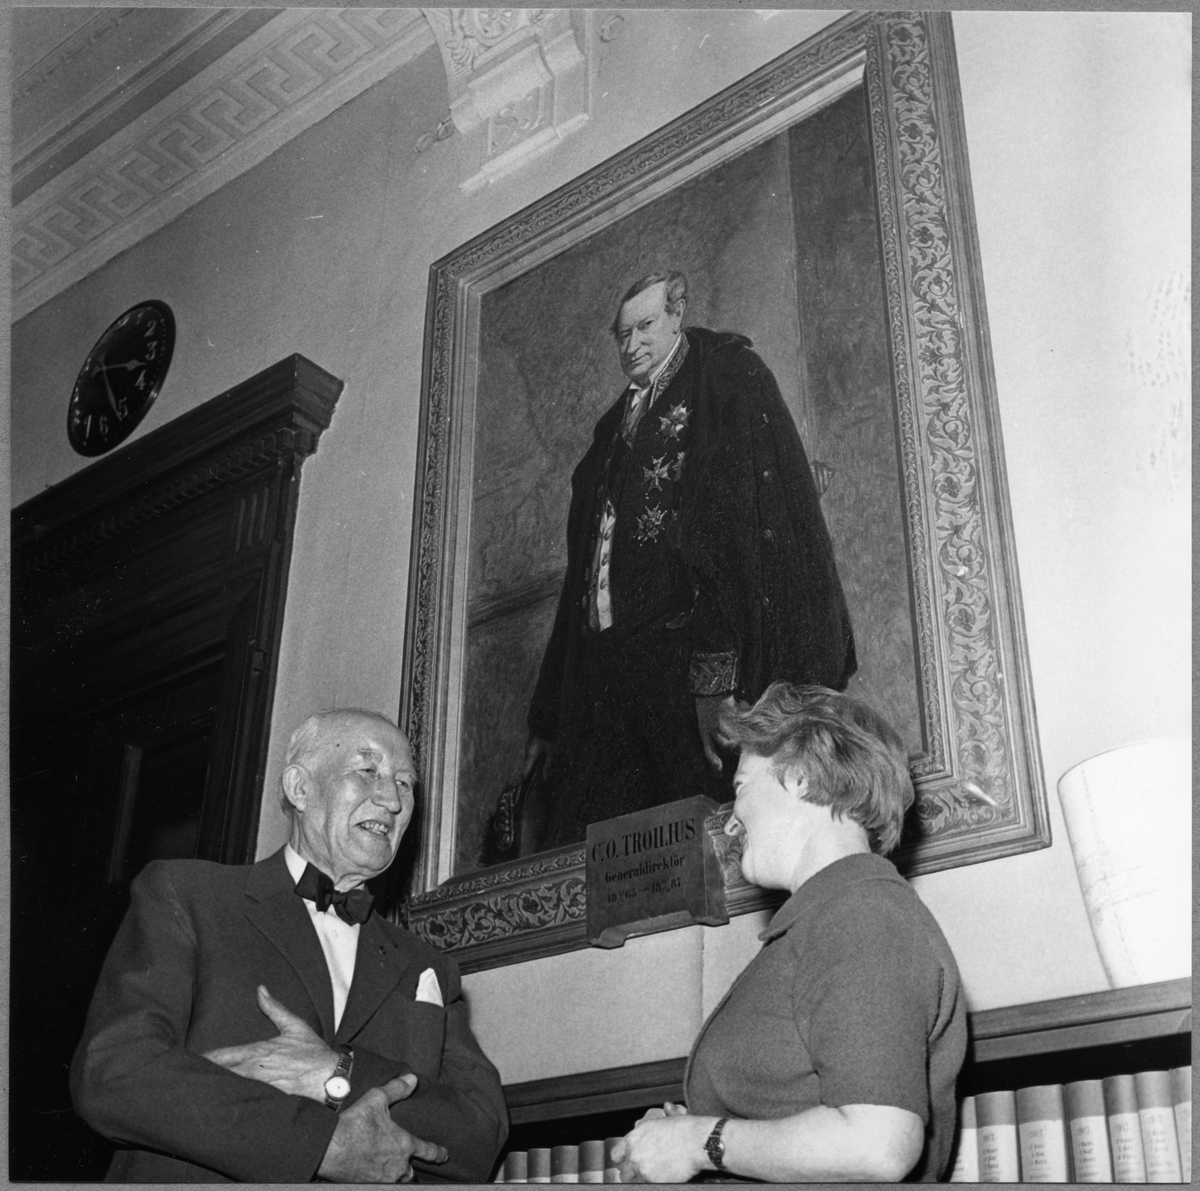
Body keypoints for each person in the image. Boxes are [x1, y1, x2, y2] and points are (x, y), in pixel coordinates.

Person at [71, 709, 508, 1183]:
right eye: (368, 770)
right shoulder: (190, 896)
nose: (393, 800)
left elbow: (480, 1135)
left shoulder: (426, 965)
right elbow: (114, 1071)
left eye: (405, 783)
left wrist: (336, 1074)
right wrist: (319, 1147)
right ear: (299, 788)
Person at [524, 271, 855, 851]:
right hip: (610, 676)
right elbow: (582, 577)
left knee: (700, 842)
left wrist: (714, 680)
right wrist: (548, 717)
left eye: (645, 326)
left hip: (685, 668)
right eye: (622, 334)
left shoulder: (723, 381)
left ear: (678, 314)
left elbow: (737, 541)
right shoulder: (612, 427)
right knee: (611, 848)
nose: (632, 345)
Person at [612, 683, 966, 1183]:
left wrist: (698, 1142)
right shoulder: (833, 914)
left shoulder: (862, 914)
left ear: (799, 776)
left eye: (741, 787)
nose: (730, 824)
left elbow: (877, 1144)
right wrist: (685, 1133)